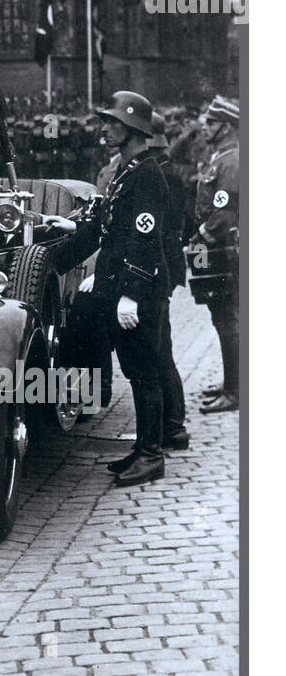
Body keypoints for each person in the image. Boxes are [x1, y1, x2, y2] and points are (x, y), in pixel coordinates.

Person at [46, 91, 172, 487]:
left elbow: (144, 239)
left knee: (143, 372)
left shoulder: (147, 174)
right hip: (114, 285)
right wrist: (51, 262)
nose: (104, 128)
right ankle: (140, 449)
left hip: (137, 288)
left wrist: (131, 295)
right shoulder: (127, 171)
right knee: (134, 368)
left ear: (133, 128)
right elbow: (100, 228)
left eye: (112, 122)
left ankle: (151, 455)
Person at [194, 95, 240, 415]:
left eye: (210, 122)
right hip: (219, 249)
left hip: (226, 250)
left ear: (225, 127)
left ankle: (236, 391)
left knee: (229, 320)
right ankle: (231, 383)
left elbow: (224, 216)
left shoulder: (233, 159)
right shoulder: (222, 156)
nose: (204, 126)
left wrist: (198, 240)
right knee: (221, 317)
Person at [149, 112, 189, 448]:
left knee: (161, 350)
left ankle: (174, 426)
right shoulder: (164, 169)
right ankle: (171, 424)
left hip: (161, 265)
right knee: (161, 347)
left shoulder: (162, 173)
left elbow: (172, 226)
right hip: (165, 264)